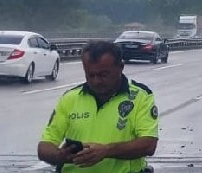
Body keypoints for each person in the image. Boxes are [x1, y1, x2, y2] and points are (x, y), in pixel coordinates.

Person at [36, 40, 159, 173]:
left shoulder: (141, 96)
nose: (96, 81)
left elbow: (149, 144)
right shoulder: (69, 98)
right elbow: (44, 146)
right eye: (91, 75)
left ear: (121, 67)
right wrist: (59, 155)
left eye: (103, 75)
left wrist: (106, 151)